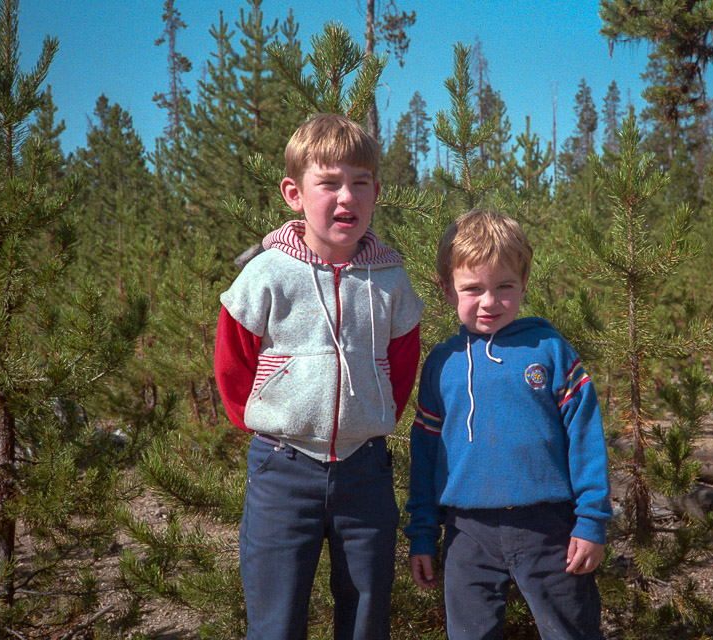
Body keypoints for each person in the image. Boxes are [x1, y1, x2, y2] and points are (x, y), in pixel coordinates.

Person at [214, 113, 424, 640]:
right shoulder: (266, 275)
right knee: (277, 620)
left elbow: (401, 365)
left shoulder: (391, 281)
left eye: (359, 184)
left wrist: (366, 420)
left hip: (365, 473)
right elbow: (233, 361)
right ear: (294, 193)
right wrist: (272, 420)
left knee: (366, 616)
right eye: (328, 183)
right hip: (282, 471)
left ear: (376, 192)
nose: (345, 198)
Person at [404, 209, 612, 640]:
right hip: (466, 534)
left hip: (549, 528)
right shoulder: (441, 365)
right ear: (447, 290)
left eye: (504, 287)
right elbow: (425, 455)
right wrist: (423, 534)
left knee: (570, 630)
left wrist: (591, 521)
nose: (489, 301)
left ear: (523, 284)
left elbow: (585, 434)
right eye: (473, 288)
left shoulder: (548, 349)